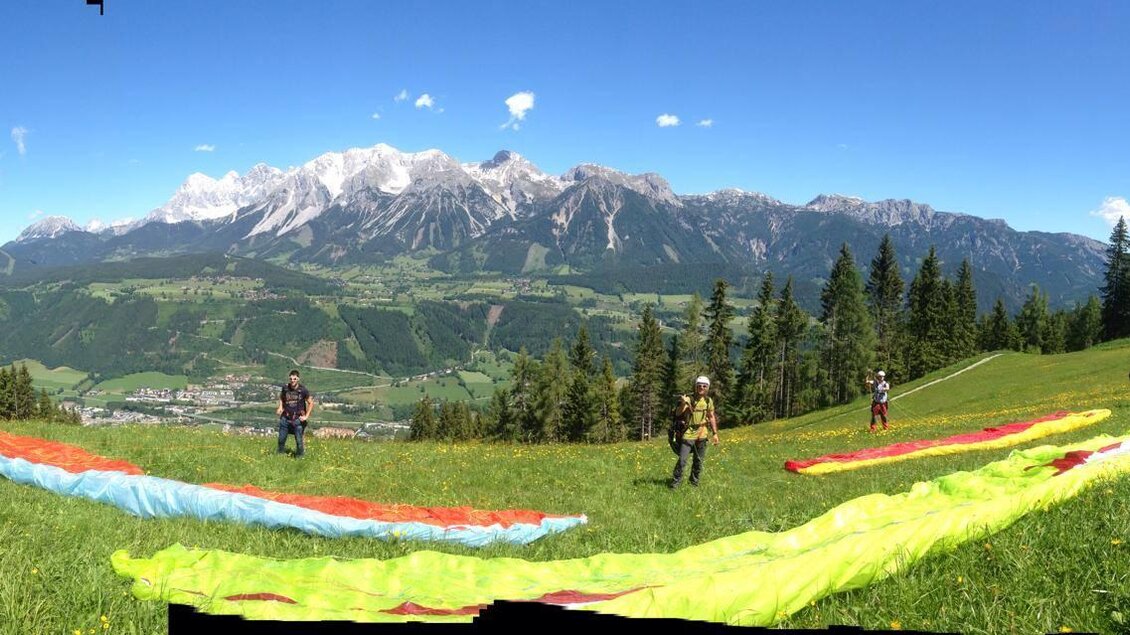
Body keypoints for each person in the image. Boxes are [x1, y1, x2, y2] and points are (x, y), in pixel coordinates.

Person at [669, 375, 719, 488]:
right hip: (688, 433)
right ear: (695, 387)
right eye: (699, 385)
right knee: (682, 460)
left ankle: (694, 483)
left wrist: (715, 433)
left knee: (698, 461)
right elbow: (678, 414)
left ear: (707, 388)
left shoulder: (708, 401)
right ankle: (675, 483)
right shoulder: (689, 399)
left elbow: (711, 416)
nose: (702, 387)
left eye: (704, 386)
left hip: (703, 433)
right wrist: (683, 403)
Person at [277, 369, 314, 457]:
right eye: (291, 379)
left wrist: (306, 416)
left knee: (299, 441)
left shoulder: (303, 390)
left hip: (298, 419)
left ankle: (300, 458)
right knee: (281, 440)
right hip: (285, 418)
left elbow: (311, 402)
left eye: (294, 379)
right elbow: (281, 397)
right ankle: (279, 456)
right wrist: (280, 407)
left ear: (298, 379)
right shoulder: (285, 388)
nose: (292, 381)